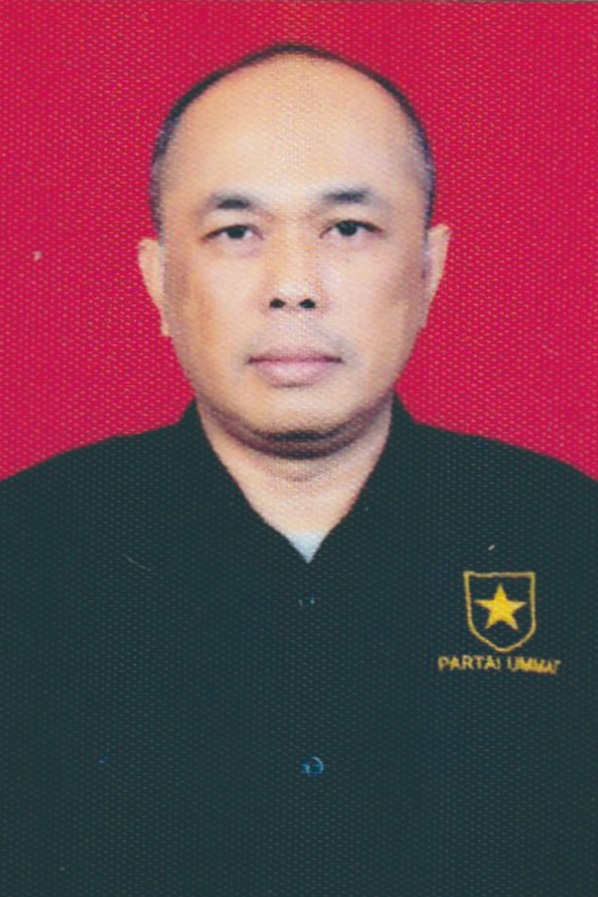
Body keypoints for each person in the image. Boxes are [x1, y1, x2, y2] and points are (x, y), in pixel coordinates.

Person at [1, 44, 596, 897]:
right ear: (160, 282)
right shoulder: (25, 550)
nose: (293, 286)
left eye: (347, 229)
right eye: (236, 232)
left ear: (428, 271)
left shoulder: (570, 539)